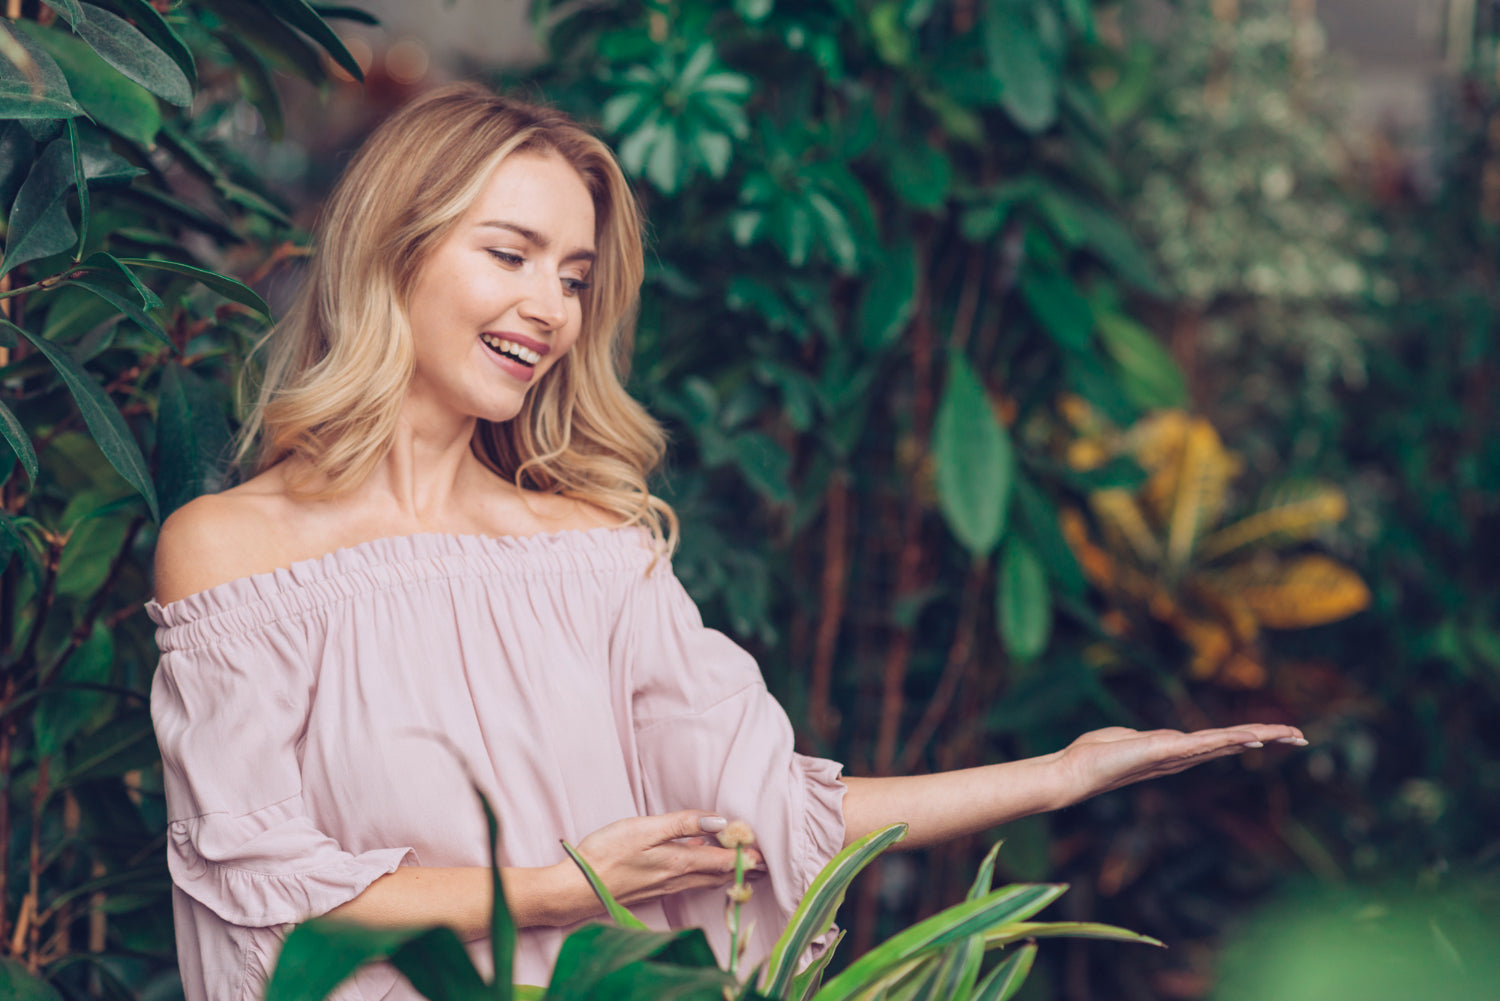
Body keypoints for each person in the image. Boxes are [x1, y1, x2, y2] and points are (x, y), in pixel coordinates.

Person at [147, 83, 1306, 1001]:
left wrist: (1060, 773)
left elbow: (759, 818)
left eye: (575, 276)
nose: (551, 308)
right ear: (392, 251)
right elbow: (262, 888)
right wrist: (566, 883)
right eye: (510, 255)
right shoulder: (233, 553)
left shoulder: (595, 551)